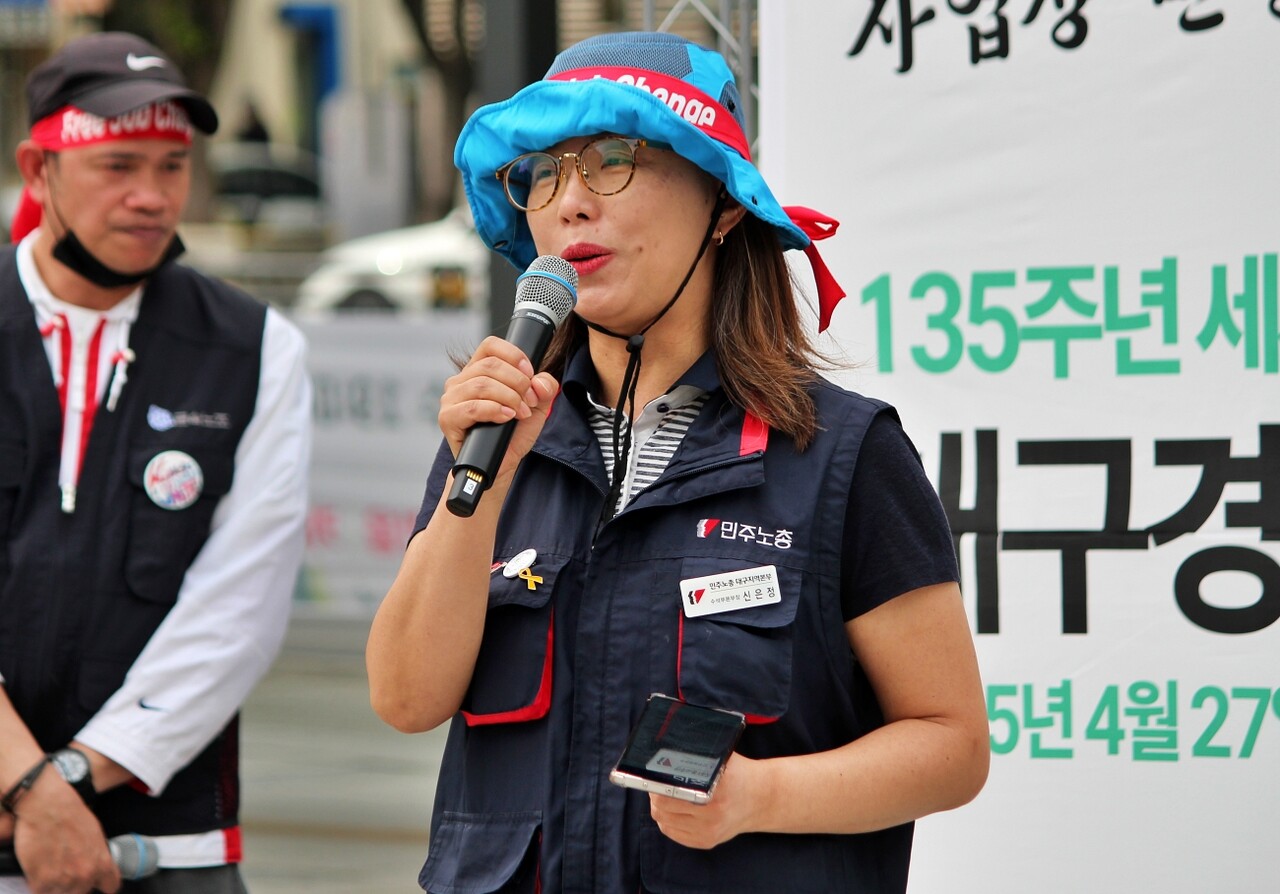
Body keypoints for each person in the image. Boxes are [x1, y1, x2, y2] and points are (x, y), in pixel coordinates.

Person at [367, 30, 988, 894]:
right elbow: (405, 697)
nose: (570, 203)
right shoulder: (497, 434)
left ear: (723, 204)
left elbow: (951, 745)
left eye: (614, 159)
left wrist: (759, 794)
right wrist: (487, 479)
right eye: (543, 173)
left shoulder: (844, 451)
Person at [0, 32, 311, 894]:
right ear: (39, 169)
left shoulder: (254, 347)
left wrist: (65, 784)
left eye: (172, 165)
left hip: (174, 849)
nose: (150, 196)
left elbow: (238, 608)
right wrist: (24, 786)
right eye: (118, 164)